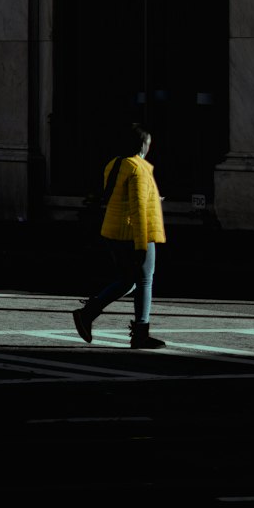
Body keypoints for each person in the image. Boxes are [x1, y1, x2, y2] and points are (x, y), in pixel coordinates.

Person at [72, 124, 167, 350]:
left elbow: (120, 198)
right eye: (148, 142)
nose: (149, 146)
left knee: (128, 280)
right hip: (133, 232)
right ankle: (140, 333)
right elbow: (138, 208)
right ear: (142, 144)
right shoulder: (139, 168)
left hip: (113, 231)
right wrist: (142, 243)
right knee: (144, 280)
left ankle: (88, 314)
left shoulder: (115, 164)